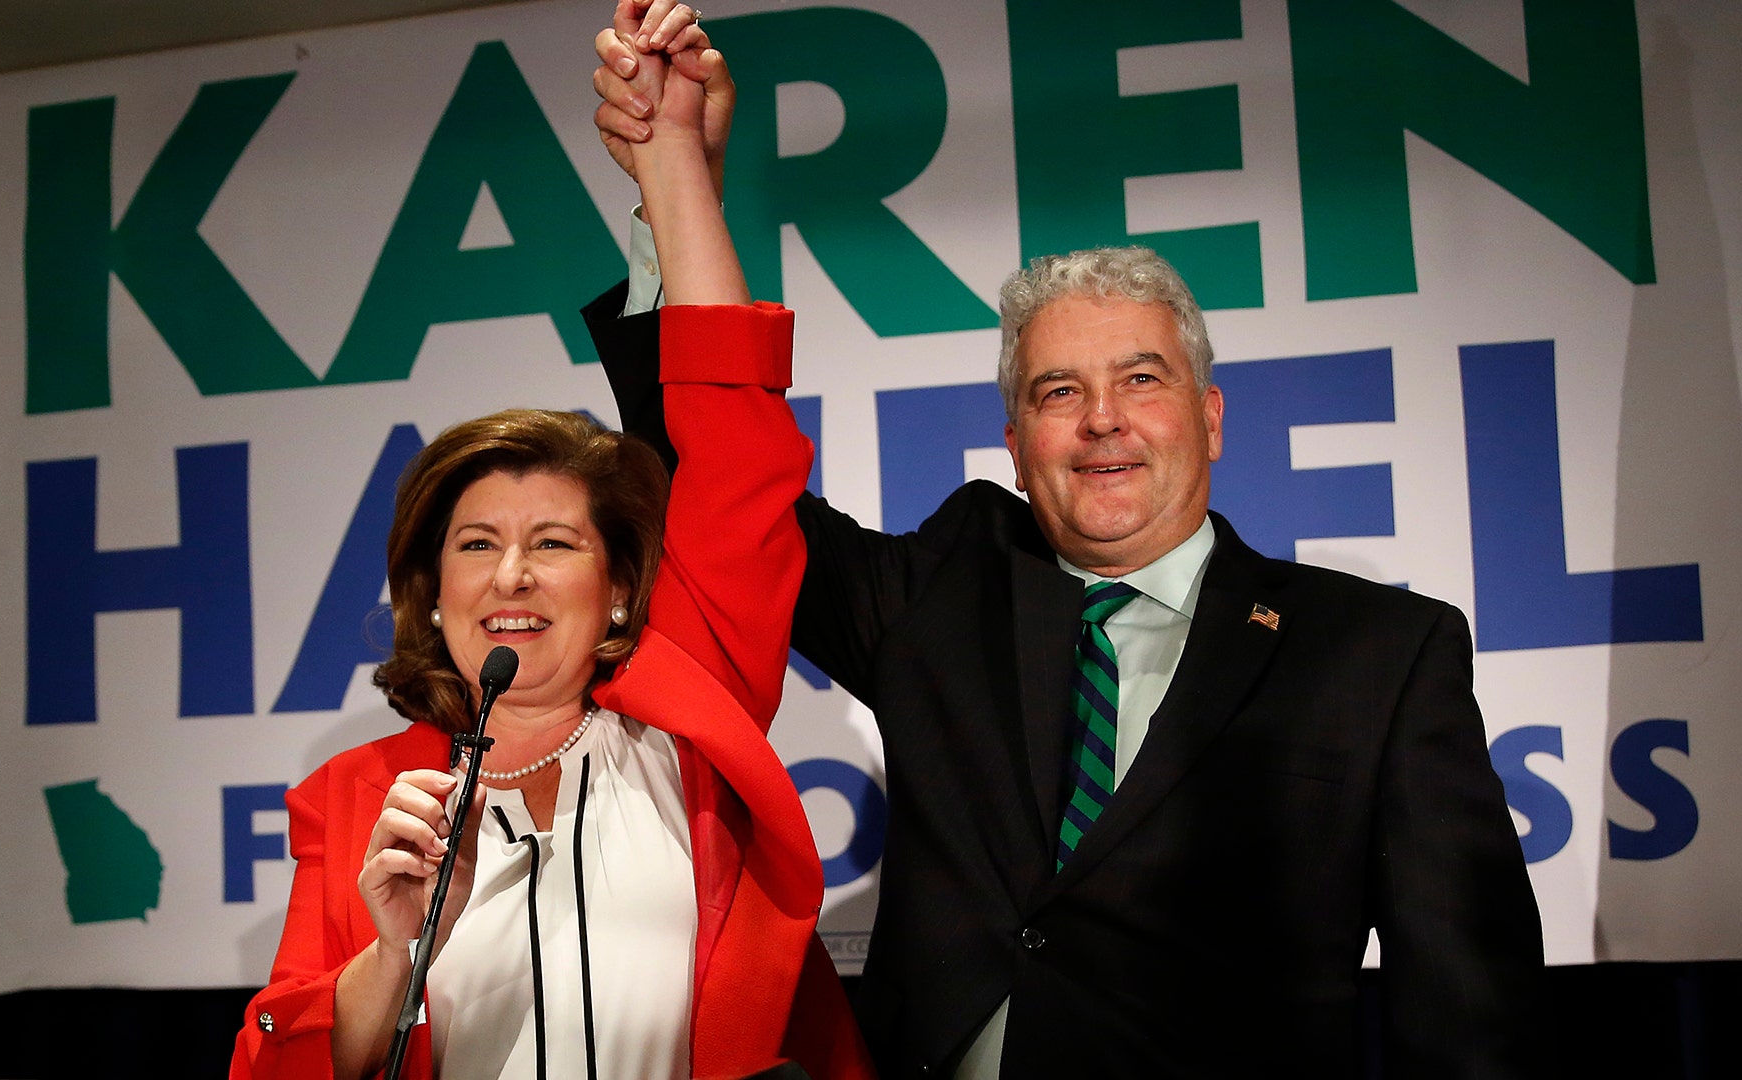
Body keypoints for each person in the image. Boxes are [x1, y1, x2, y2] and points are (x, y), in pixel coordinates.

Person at [586, 7, 1547, 1076]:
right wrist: (676, 190)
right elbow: (721, 484)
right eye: (1059, 391)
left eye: (1141, 379)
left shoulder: (1378, 652)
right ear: (1013, 439)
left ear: (1212, 416)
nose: (1102, 420)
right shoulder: (942, 594)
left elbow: (1468, 1003)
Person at [230, 9, 872, 1078]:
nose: (513, 574)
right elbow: (282, 1066)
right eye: (476, 544)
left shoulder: (688, 737)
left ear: (623, 589)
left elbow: (738, 436)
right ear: (432, 594)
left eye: (555, 545)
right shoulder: (356, 798)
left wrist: (672, 162)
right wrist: (389, 952)